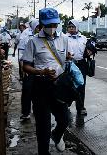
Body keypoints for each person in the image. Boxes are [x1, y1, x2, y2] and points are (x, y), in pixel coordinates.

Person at [22, 8, 70, 154]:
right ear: (42, 23)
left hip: (58, 86)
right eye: (48, 25)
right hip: (41, 87)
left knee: (64, 119)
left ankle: (56, 135)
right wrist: (41, 72)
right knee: (43, 127)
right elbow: (26, 66)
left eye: (54, 24)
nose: (52, 28)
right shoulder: (33, 41)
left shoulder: (64, 39)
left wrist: (68, 58)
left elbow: (63, 60)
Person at [66, 19, 92, 116]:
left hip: (81, 64)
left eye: (73, 27)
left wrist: (90, 51)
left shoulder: (84, 38)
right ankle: (67, 103)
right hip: (69, 64)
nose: (71, 29)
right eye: (69, 27)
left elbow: (90, 49)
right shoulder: (64, 37)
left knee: (81, 85)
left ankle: (80, 107)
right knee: (68, 84)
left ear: (77, 27)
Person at [19, 19, 40, 121]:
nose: (39, 29)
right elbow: (21, 53)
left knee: (39, 90)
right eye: (37, 27)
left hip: (41, 65)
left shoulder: (43, 36)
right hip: (29, 64)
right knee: (27, 89)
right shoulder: (25, 36)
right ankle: (26, 112)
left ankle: (38, 110)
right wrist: (23, 68)